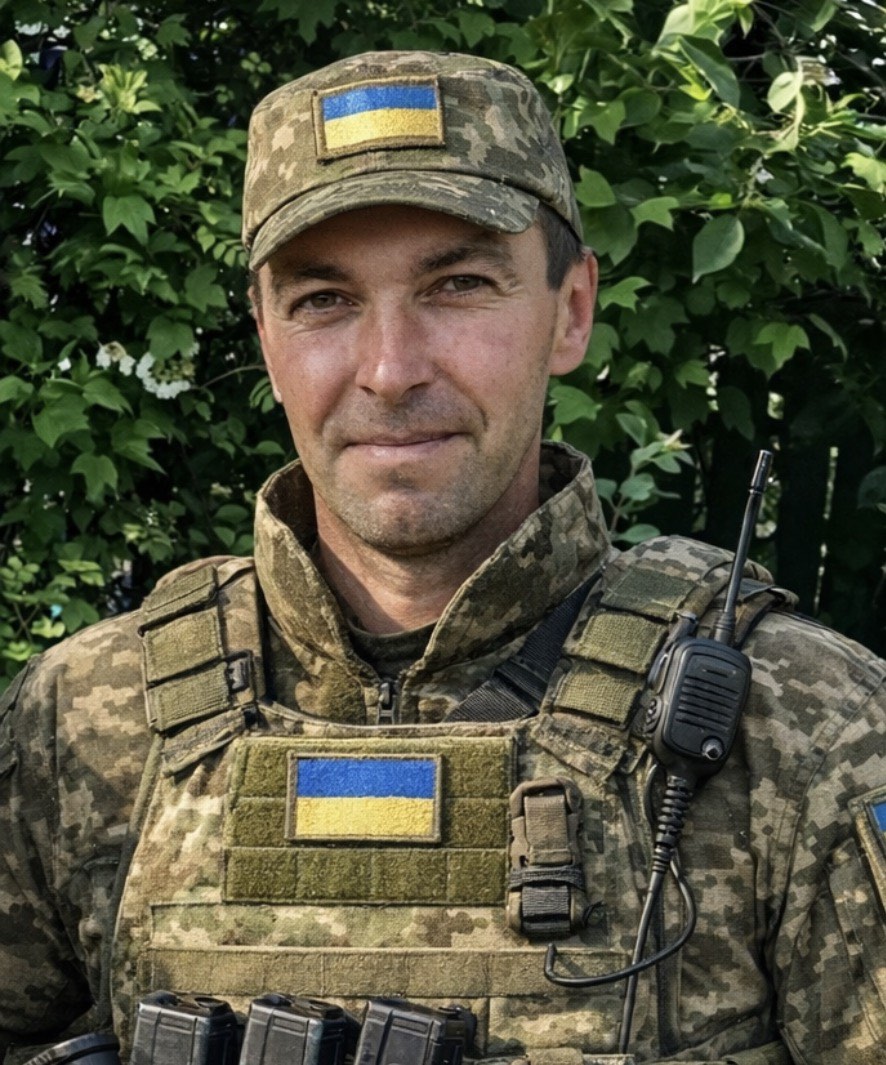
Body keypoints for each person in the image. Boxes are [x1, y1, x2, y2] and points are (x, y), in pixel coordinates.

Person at [1, 49, 884, 1065]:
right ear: (266, 336)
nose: (388, 369)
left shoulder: (802, 725)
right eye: (323, 301)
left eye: (457, 285)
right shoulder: (90, 721)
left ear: (571, 312)